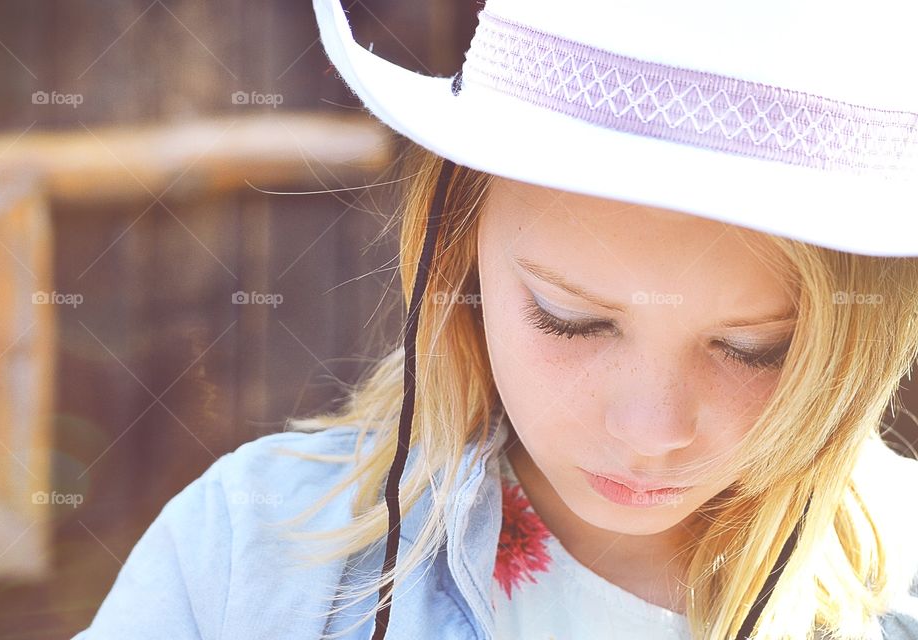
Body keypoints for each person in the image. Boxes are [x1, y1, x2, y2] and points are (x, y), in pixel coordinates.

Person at [74, 0, 918, 638]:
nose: (653, 430)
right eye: (571, 320)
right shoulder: (247, 556)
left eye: (755, 349)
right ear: (455, 249)